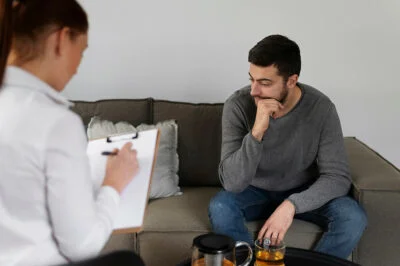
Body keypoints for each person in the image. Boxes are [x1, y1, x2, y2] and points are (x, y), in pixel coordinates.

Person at [0, 0, 144, 265]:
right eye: (82, 50)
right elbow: (82, 246)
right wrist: (114, 183)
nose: (78, 66)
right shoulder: (55, 123)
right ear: (62, 39)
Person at [208, 34, 367, 259]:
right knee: (220, 207)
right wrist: (257, 133)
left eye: (265, 83)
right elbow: (232, 183)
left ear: (291, 81)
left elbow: (338, 177)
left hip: (303, 189)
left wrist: (291, 205)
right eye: (252, 79)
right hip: (252, 190)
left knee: (353, 217)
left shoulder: (321, 108)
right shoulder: (238, 105)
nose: (254, 90)